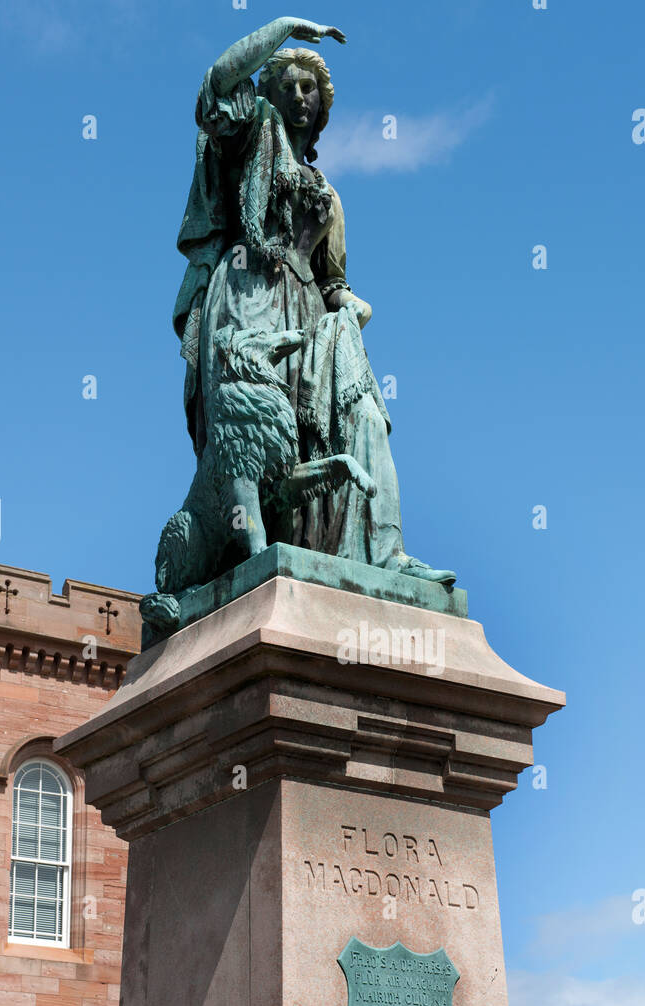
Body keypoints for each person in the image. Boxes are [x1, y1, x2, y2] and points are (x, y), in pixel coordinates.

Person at [173, 16, 455, 585]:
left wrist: (355, 307)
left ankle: (385, 552)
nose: (300, 96)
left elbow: (333, 282)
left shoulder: (328, 195)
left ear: (323, 107)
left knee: (367, 412)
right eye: (288, 85)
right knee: (254, 440)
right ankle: (251, 550)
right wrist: (284, 28)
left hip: (310, 315)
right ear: (270, 94)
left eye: (311, 89)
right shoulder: (251, 134)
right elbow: (217, 86)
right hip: (250, 298)